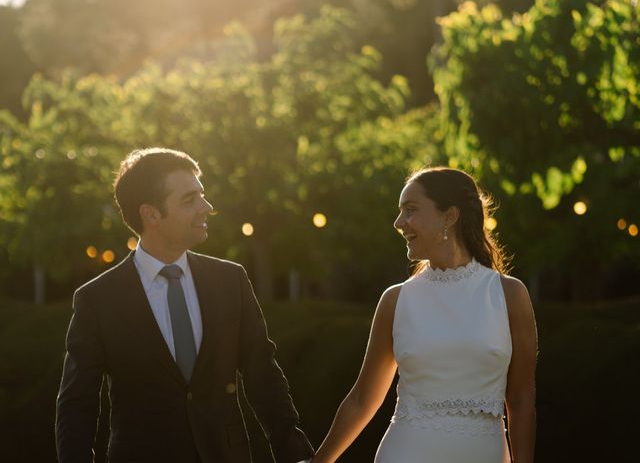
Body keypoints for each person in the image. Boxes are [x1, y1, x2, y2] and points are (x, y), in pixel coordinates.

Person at [55, 148, 314, 463]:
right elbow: (77, 404)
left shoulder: (230, 281)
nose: (206, 207)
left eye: (201, 196)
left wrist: (295, 454)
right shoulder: (97, 300)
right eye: (189, 200)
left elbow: (263, 374)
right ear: (150, 214)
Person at [312, 167, 537, 463]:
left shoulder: (508, 295)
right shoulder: (396, 300)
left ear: (449, 216)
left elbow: (521, 401)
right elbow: (362, 399)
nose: (398, 222)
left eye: (411, 210)